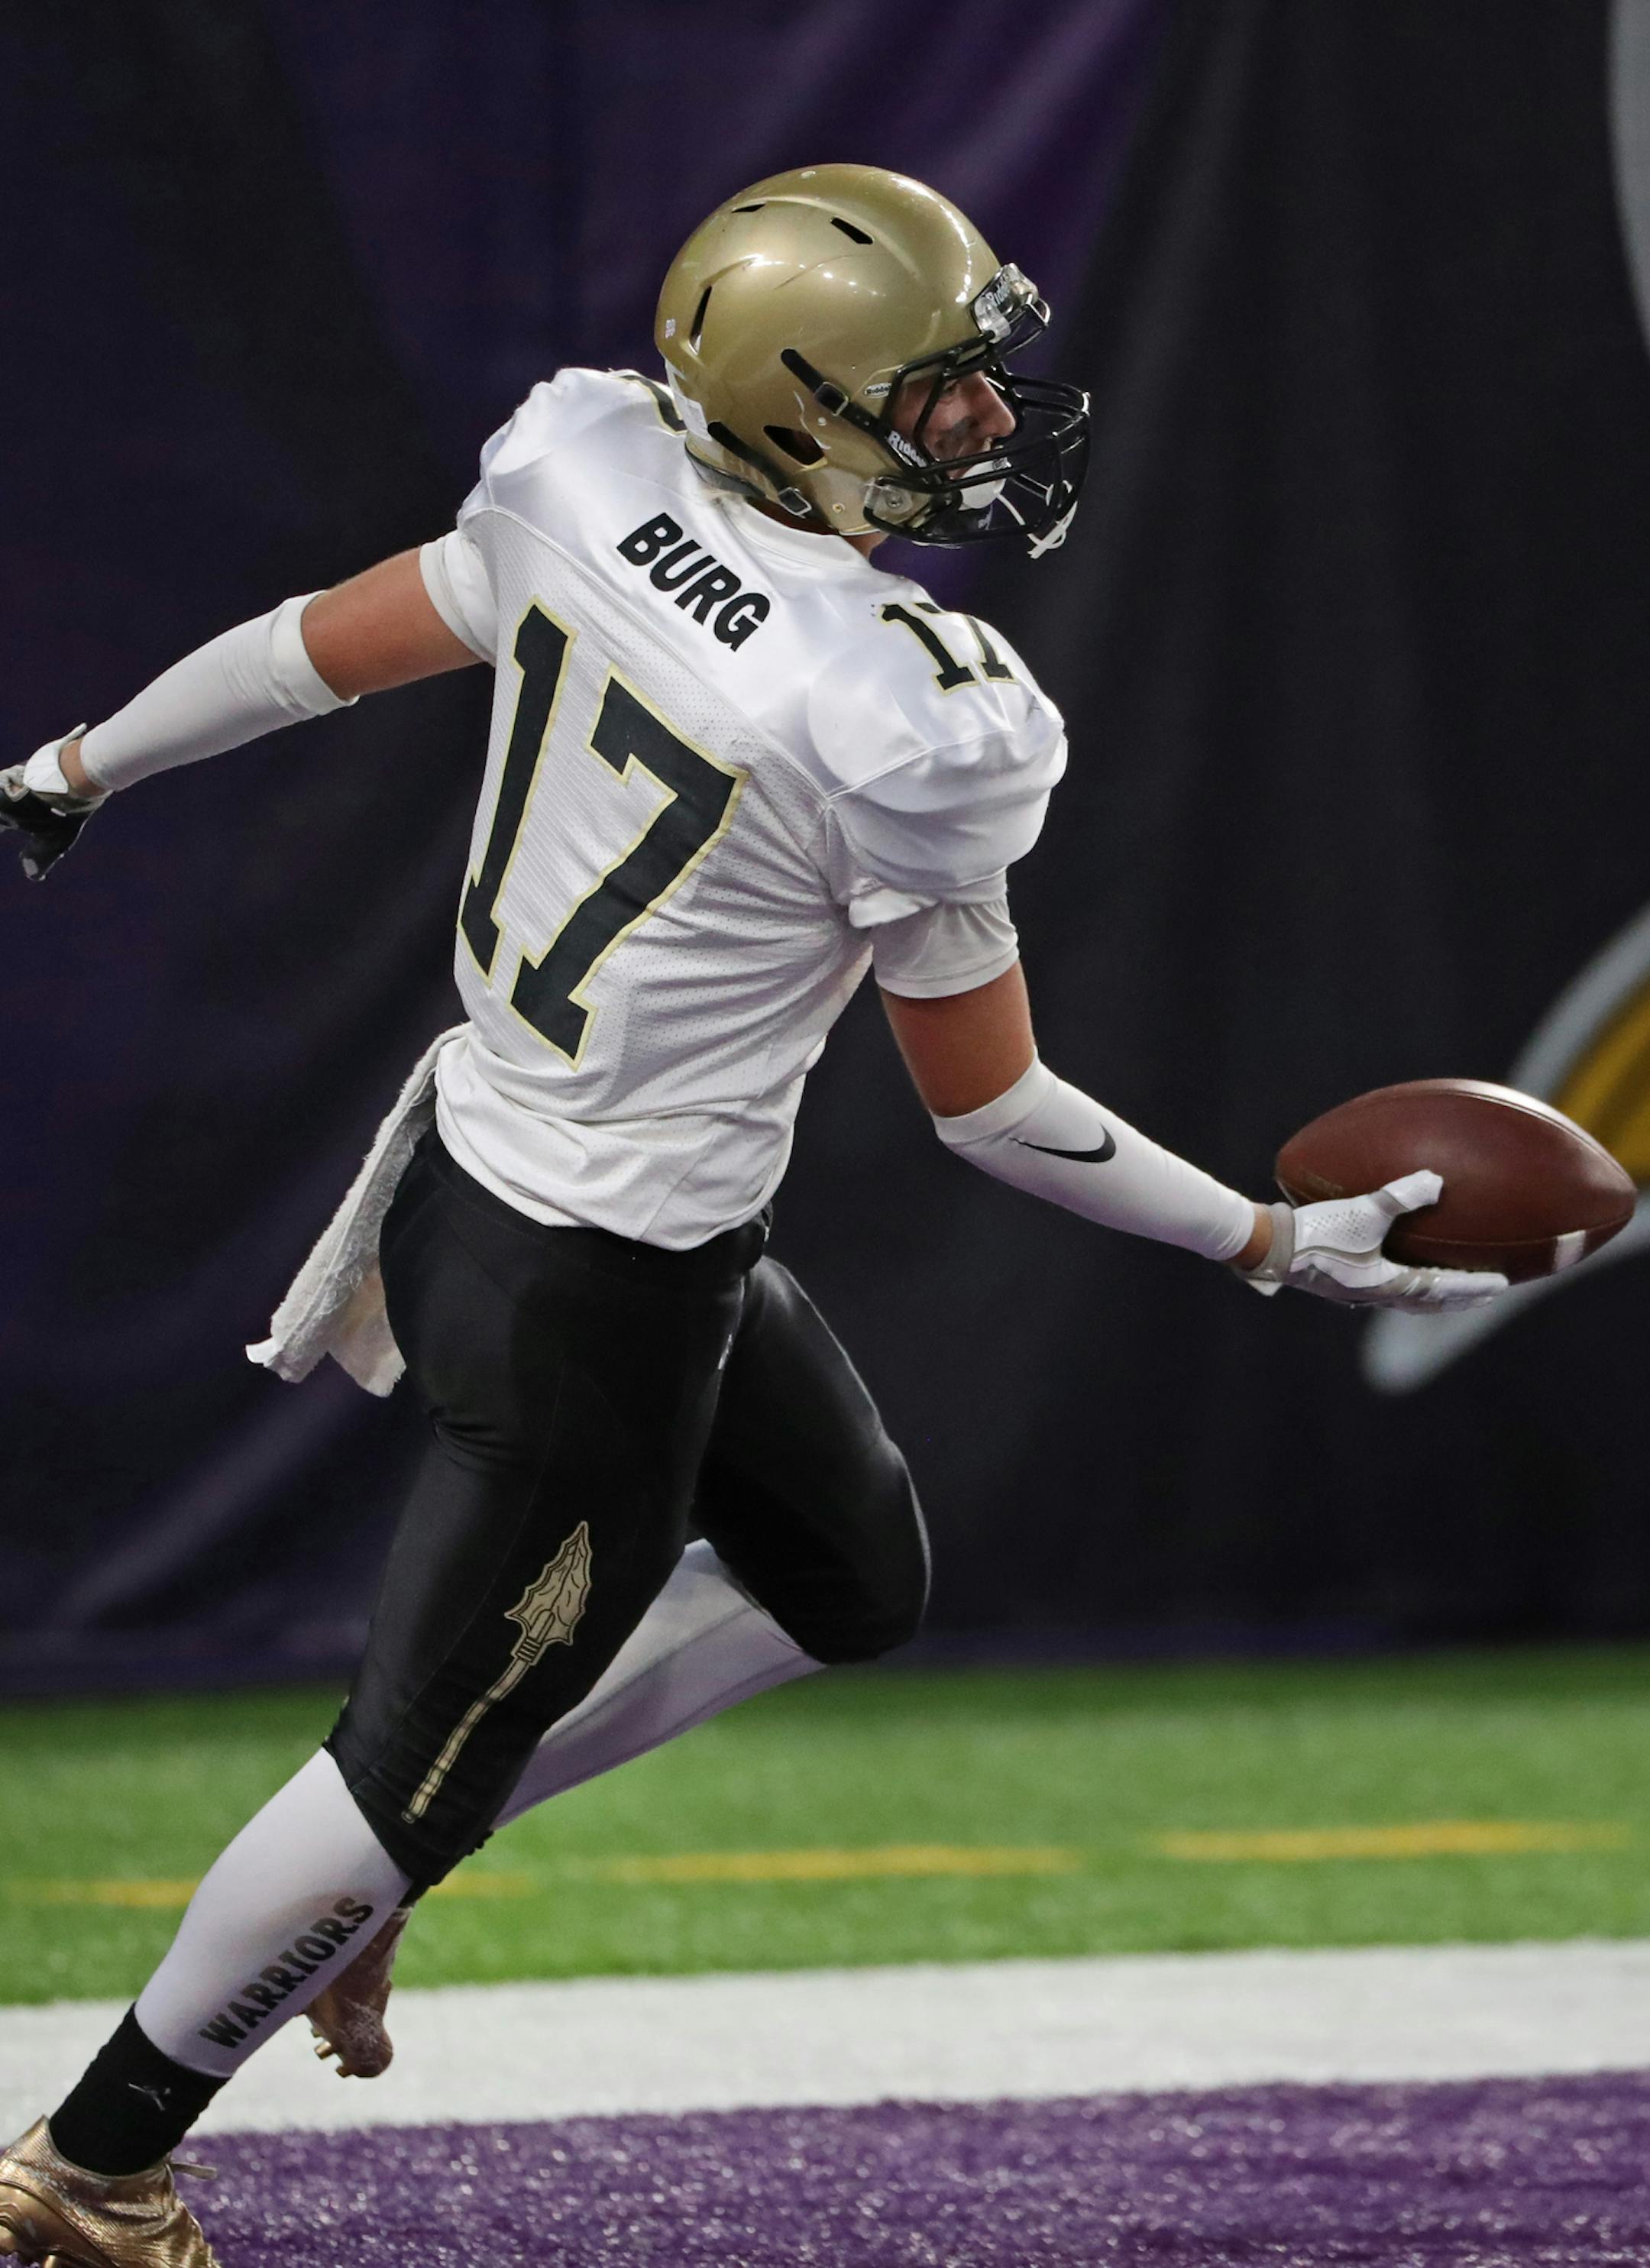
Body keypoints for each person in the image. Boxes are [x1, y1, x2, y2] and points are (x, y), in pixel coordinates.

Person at [0, 164, 1505, 2267]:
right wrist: (1265, 1239)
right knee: (408, 1761)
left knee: (848, 1570)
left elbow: (322, 651)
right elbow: (991, 1110)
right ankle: (95, 2156)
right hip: (586, 1284)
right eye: (946, 395)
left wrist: (81, 761)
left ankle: (396, 1845)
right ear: (810, 406)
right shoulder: (900, 705)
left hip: (504, 1175)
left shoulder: (583, 469)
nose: (990, 423)